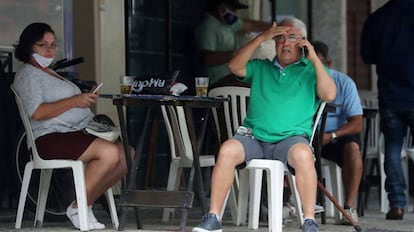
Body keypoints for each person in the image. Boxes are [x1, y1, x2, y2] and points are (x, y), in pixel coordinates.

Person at [192, 16, 337, 232]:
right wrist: (262, 37)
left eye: (292, 38)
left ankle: (309, 221)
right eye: (279, 38)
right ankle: (214, 217)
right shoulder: (261, 67)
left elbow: (329, 94)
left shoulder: (311, 70)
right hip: (254, 137)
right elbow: (234, 66)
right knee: (227, 150)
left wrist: (314, 57)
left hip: (291, 140)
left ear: (302, 43)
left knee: (304, 155)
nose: (285, 42)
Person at [12, 22, 131, 230]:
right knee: (110, 154)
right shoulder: (28, 74)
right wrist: (75, 101)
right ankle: (78, 207)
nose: (49, 50)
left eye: (52, 45)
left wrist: (83, 98)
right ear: (29, 47)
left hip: (73, 132)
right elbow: (38, 113)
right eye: (42, 45)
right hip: (49, 137)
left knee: (126, 155)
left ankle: (82, 205)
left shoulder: (50, 72)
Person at [360, 0, 414, 220]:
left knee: (392, 148)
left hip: (390, 95)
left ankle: (397, 205)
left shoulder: (378, 18)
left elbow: (367, 56)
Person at [312, 40, 363, 225]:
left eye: (318, 63)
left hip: (334, 137)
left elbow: (357, 123)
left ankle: (348, 208)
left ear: (329, 64)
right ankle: (287, 203)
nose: (314, 69)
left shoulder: (344, 82)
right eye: (310, 63)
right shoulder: (300, 80)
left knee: (353, 148)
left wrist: (331, 136)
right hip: (307, 136)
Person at [194, 0, 271, 89]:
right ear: (221, 8)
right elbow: (208, 59)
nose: (236, 13)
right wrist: (238, 54)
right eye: (233, 9)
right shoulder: (208, 26)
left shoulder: (228, 23)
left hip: (234, 76)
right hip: (218, 80)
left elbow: (251, 25)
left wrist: (275, 26)